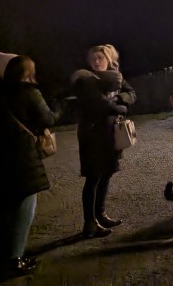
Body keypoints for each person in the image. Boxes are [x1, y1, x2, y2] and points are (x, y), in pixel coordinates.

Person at [0, 56, 58, 280]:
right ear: (28, 72)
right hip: (23, 157)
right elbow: (47, 119)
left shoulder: (0, 94)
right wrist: (58, 107)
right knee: (24, 209)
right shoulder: (29, 92)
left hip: (1, 158)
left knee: (7, 209)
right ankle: (14, 260)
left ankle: (5, 257)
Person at [71, 44, 136, 238]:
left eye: (100, 58)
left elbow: (132, 94)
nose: (96, 61)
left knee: (107, 173)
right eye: (93, 58)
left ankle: (101, 214)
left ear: (108, 59)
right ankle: (90, 223)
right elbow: (101, 106)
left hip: (110, 132)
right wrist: (120, 107)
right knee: (93, 177)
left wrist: (121, 98)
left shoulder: (116, 77)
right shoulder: (86, 79)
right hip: (92, 134)